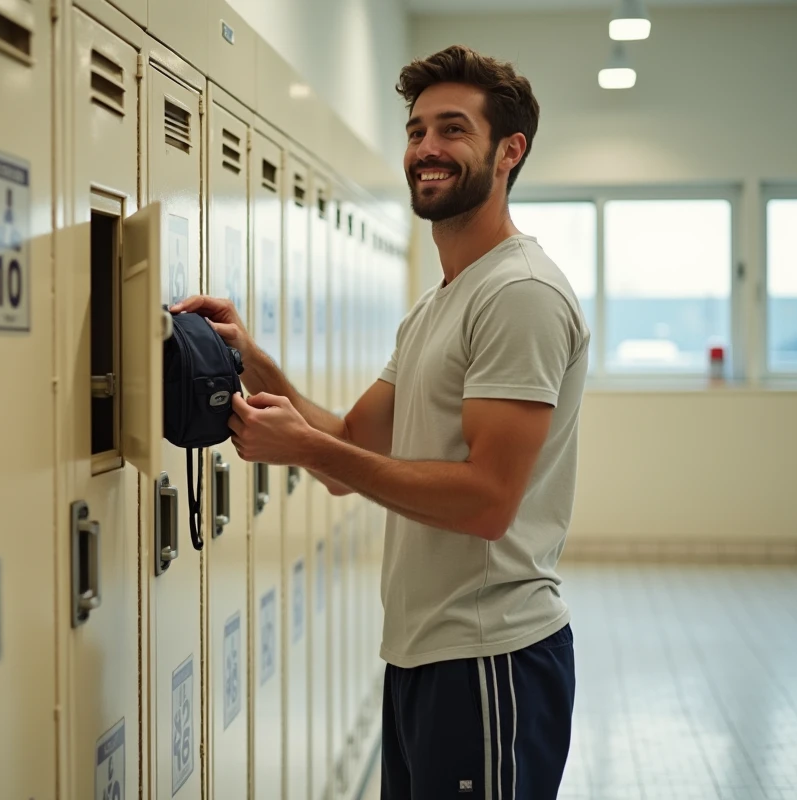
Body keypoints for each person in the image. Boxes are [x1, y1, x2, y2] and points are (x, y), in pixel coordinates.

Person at [171, 44, 590, 799]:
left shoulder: (519, 294)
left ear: (509, 151)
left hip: (489, 659)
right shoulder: (441, 304)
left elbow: (489, 501)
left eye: (453, 130)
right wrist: (250, 359)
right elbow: (353, 447)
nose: (426, 150)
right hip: (425, 656)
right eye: (417, 130)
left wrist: (301, 448)